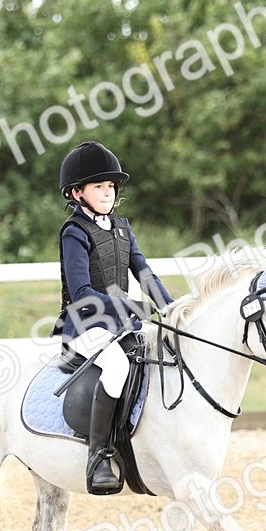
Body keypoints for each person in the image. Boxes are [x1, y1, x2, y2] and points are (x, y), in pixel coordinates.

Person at [53, 141, 174, 494]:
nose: (107, 193)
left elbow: (145, 273)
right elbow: (81, 293)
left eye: (110, 187)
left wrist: (170, 310)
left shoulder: (122, 227)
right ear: (78, 193)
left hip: (121, 324)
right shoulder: (74, 231)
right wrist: (128, 308)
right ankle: (98, 456)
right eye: (98, 187)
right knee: (118, 368)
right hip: (83, 324)